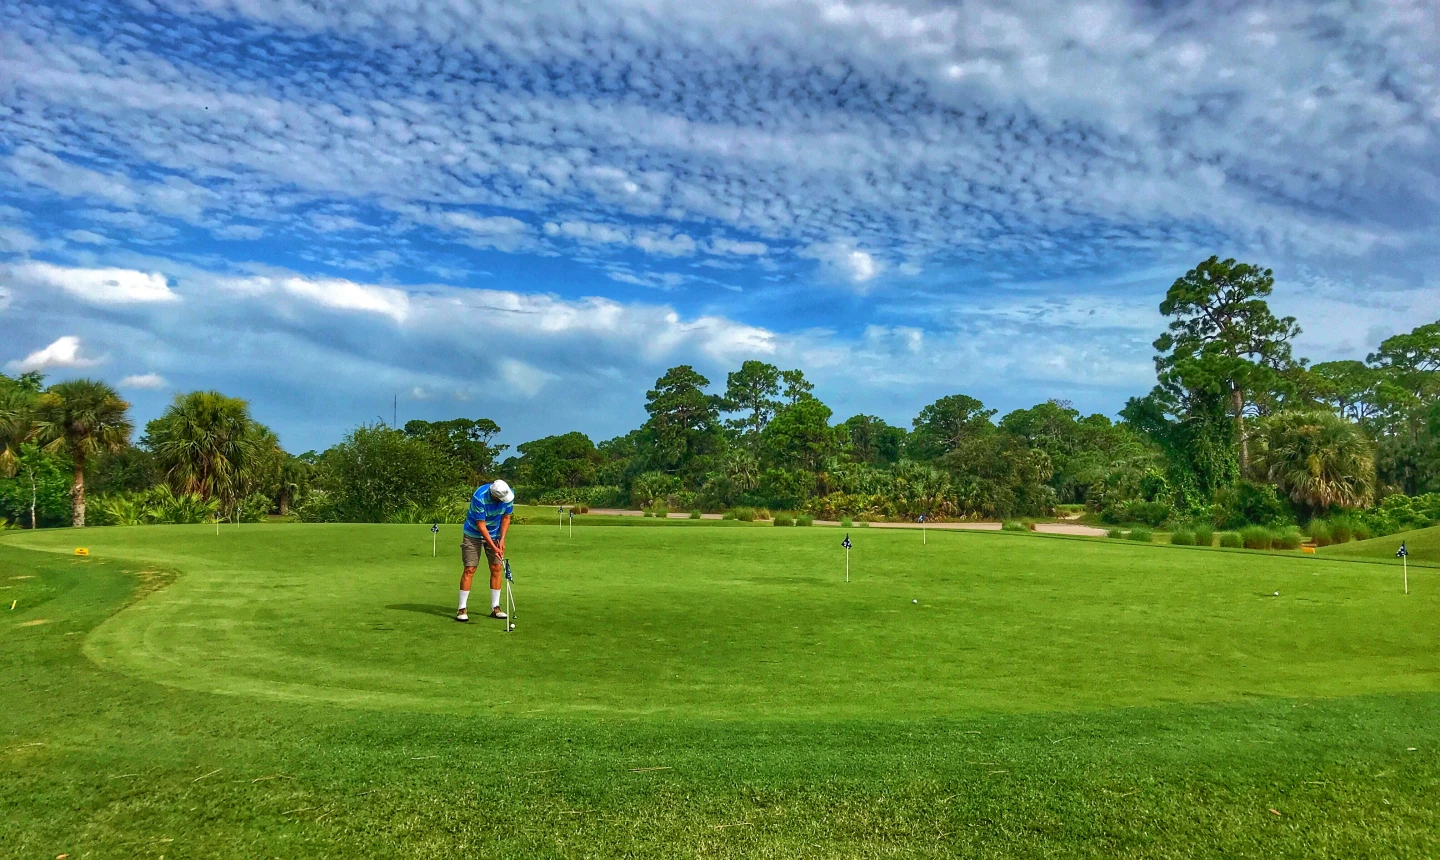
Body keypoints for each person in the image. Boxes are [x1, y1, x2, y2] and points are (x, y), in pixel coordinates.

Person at [457, 478, 515, 622]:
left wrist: (501, 539)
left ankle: (495, 608)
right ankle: (461, 609)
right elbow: (481, 526)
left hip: (495, 533)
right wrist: (493, 546)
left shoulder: (508, 494)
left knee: (496, 568)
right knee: (470, 569)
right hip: (473, 534)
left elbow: (506, 518)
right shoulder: (479, 497)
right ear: (494, 496)